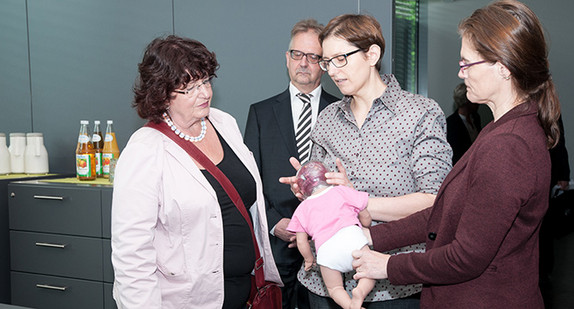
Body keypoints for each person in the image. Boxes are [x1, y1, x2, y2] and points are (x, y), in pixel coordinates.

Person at [352, 1, 562, 307]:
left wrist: (386, 266)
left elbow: (467, 257)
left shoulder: (509, 146)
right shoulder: (503, 128)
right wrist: (371, 238)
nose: (460, 73)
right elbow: (446, 214)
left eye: (466, 63)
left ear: (502, 67)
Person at [280, 14, 452, 308]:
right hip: (325, 284)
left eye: (340, 59)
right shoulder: (327, 119)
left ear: (372, 54)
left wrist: (354, 201)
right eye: (327, 61)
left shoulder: (420, 113)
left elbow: (436, 201)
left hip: (393, 286)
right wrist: (309, 192)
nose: (332, 70)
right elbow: (317, 189)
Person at [111, 35, 281, 309]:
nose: (205, 93)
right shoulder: (144, 150)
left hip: (244, 294)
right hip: (185, 301)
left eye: (205, 81)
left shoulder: (224, 123)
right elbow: (132, 255)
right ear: (161, 93)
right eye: (189, 88)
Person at [244, 18, 339, 309]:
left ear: (323, 63)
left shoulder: (340, 113)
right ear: (287, 58)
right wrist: (274, 224)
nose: (304, 63)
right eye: (297, 54)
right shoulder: (260, 113)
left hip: (328, 246)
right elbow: (251, 181)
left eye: (313, 57)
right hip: (278, 246)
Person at [286, 161, 375, 309]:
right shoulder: (342, 190)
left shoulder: (302, 209)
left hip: (326, 252)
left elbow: (301, 242)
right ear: (327, 176)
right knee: (369, 273)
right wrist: (366, 224)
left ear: (301, 190)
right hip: (352, 238)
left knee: (334, 289)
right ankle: (360, 291)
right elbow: (365, 215)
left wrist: (309, 259)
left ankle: (350, 305)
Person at [446, 82, 482, 164]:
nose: (477, 102)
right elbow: (455, 155)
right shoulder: (451, 124)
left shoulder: (476, 118)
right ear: (466, 101)